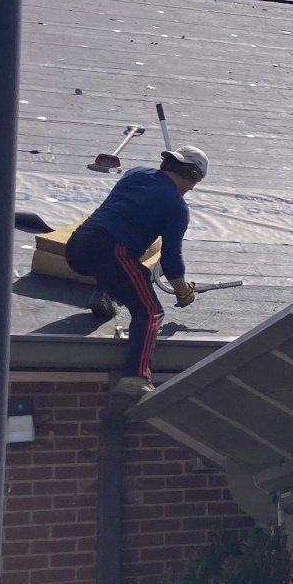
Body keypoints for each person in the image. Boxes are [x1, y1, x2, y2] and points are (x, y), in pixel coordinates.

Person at [68, 146, 210, 399]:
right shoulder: (176, 207)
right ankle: (136, 377)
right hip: (113, 251)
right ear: (189, 174)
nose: (192, 188)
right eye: (195, 182)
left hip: (78, 246)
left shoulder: (135, 174)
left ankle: (104, 295)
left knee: (132, 270)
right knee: (150, 310)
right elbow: (172, 260)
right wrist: (183, 292)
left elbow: (126, 213)